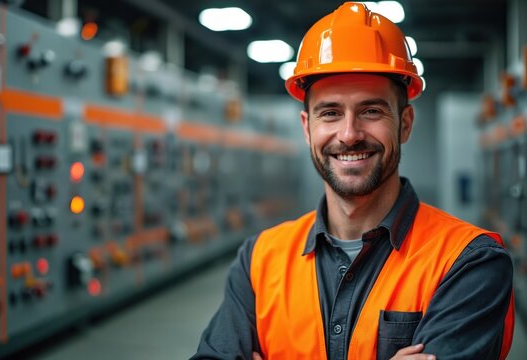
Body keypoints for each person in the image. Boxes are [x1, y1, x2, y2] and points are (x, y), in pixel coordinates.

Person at [191, 2, 515, 359]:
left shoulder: (468, 262)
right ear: (307, 127)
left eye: (371, 111)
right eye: (330, 113)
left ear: (404, 124)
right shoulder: (259, 260)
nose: (348, 134)